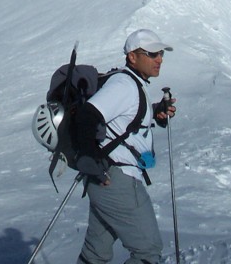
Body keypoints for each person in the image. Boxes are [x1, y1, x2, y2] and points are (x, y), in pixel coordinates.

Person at [74, 29, 176, 264]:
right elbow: (88, 115)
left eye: (160, 53)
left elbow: (126, 119)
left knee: (95, 253)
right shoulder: (124, 85)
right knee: (148, 252)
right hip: (116, 179)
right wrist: (90, 158)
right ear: (132, 56)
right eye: (152, 54)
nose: (159, 59)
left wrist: (156, 112)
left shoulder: (133, 85)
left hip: (106, 179)